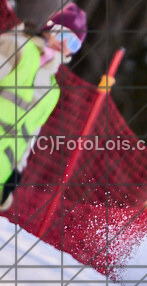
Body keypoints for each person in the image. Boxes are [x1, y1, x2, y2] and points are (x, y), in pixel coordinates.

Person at [0, 3, 87, 209]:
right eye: (62, 35)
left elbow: (29, 136)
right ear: (49, 28)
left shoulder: (51, 90)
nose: (64, 45)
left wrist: (15, 173)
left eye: (73, 44)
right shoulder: (17, 46)